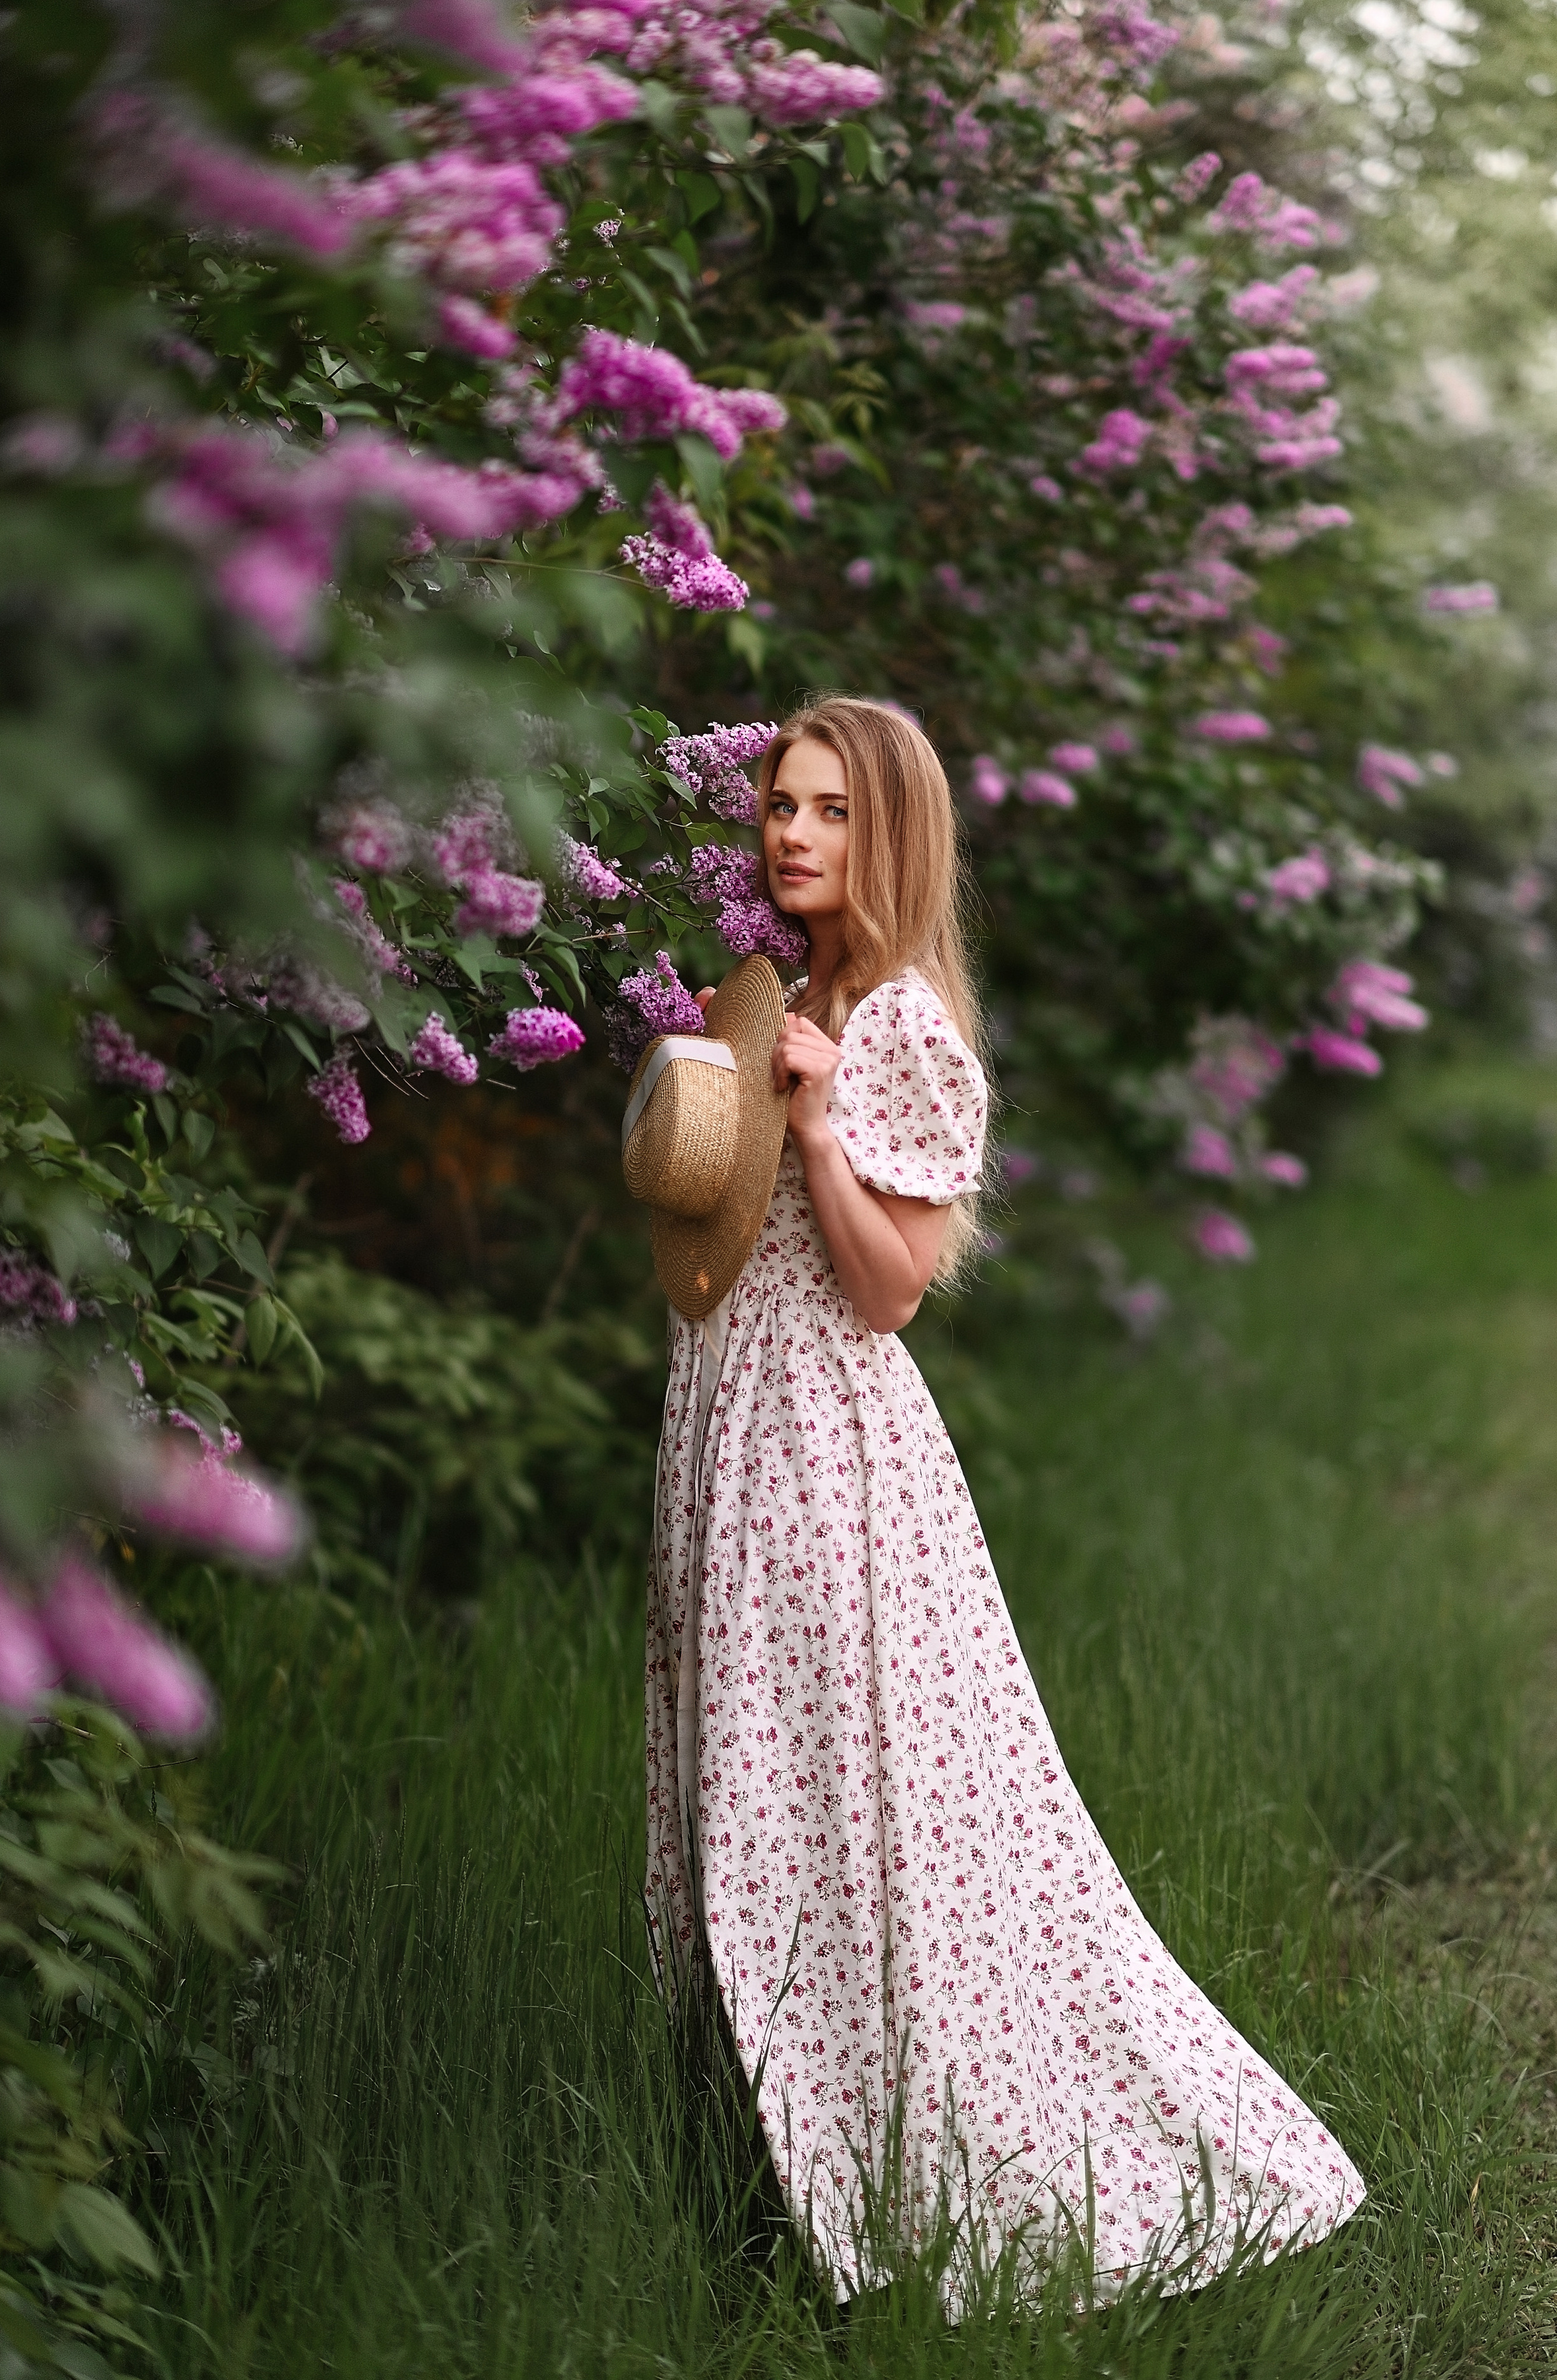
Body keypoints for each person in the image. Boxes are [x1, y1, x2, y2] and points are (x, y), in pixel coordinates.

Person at [644, 696, 1364, 2308]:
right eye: (778, 802)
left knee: (840, 1789)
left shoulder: (897, 1025)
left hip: (830, 1445)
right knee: (746, 1776)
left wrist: (815, 1124)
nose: (788, 831)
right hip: (731, 1423)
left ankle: (887, 2166)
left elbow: (891, 1287)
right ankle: (763, 2146)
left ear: (886, 834)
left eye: (828, 810)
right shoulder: (797, 996)